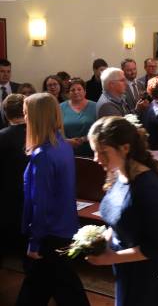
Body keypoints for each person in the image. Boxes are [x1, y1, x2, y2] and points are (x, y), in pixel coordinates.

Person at [86, 116, 158, 306]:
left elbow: (156, 247)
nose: (96, 159)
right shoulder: (118, 174)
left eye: (103, 152)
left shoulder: (147, 187)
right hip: (126, 270)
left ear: (125, 148)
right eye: (95, 152)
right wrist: (103, 241)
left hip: (148, 279)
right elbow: (118, 220)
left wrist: (110, 257)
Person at [16, 93, 90, 306]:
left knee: (57, 289)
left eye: (26, 114)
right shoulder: (63, 145)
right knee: (56, 288)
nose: (25, 119)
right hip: (64, 227)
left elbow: (41, 204)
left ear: (36, 117)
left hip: (49, 234)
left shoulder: (43, 155)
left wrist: (34, 242)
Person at [0, 94, 28, 258]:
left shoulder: (3, 136)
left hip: (7, 200)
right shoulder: (41, 135)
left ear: (5, 113)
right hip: (33, 200)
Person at [60, 78, 97, 156]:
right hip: (67, 150)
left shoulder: (95, 106)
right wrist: (67, 140)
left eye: (79, 89)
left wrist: (84, 139)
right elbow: (56, 129)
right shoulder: (60, 107)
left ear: (85, 91)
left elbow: (100, 129)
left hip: (91, 150)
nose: (76, 92)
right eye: (72, 90)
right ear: (68, 93)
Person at [0, 59, 21, 129]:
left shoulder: (19, 88)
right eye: (2, 71)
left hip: (16, 130)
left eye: (8, 71)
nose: (6, 74)